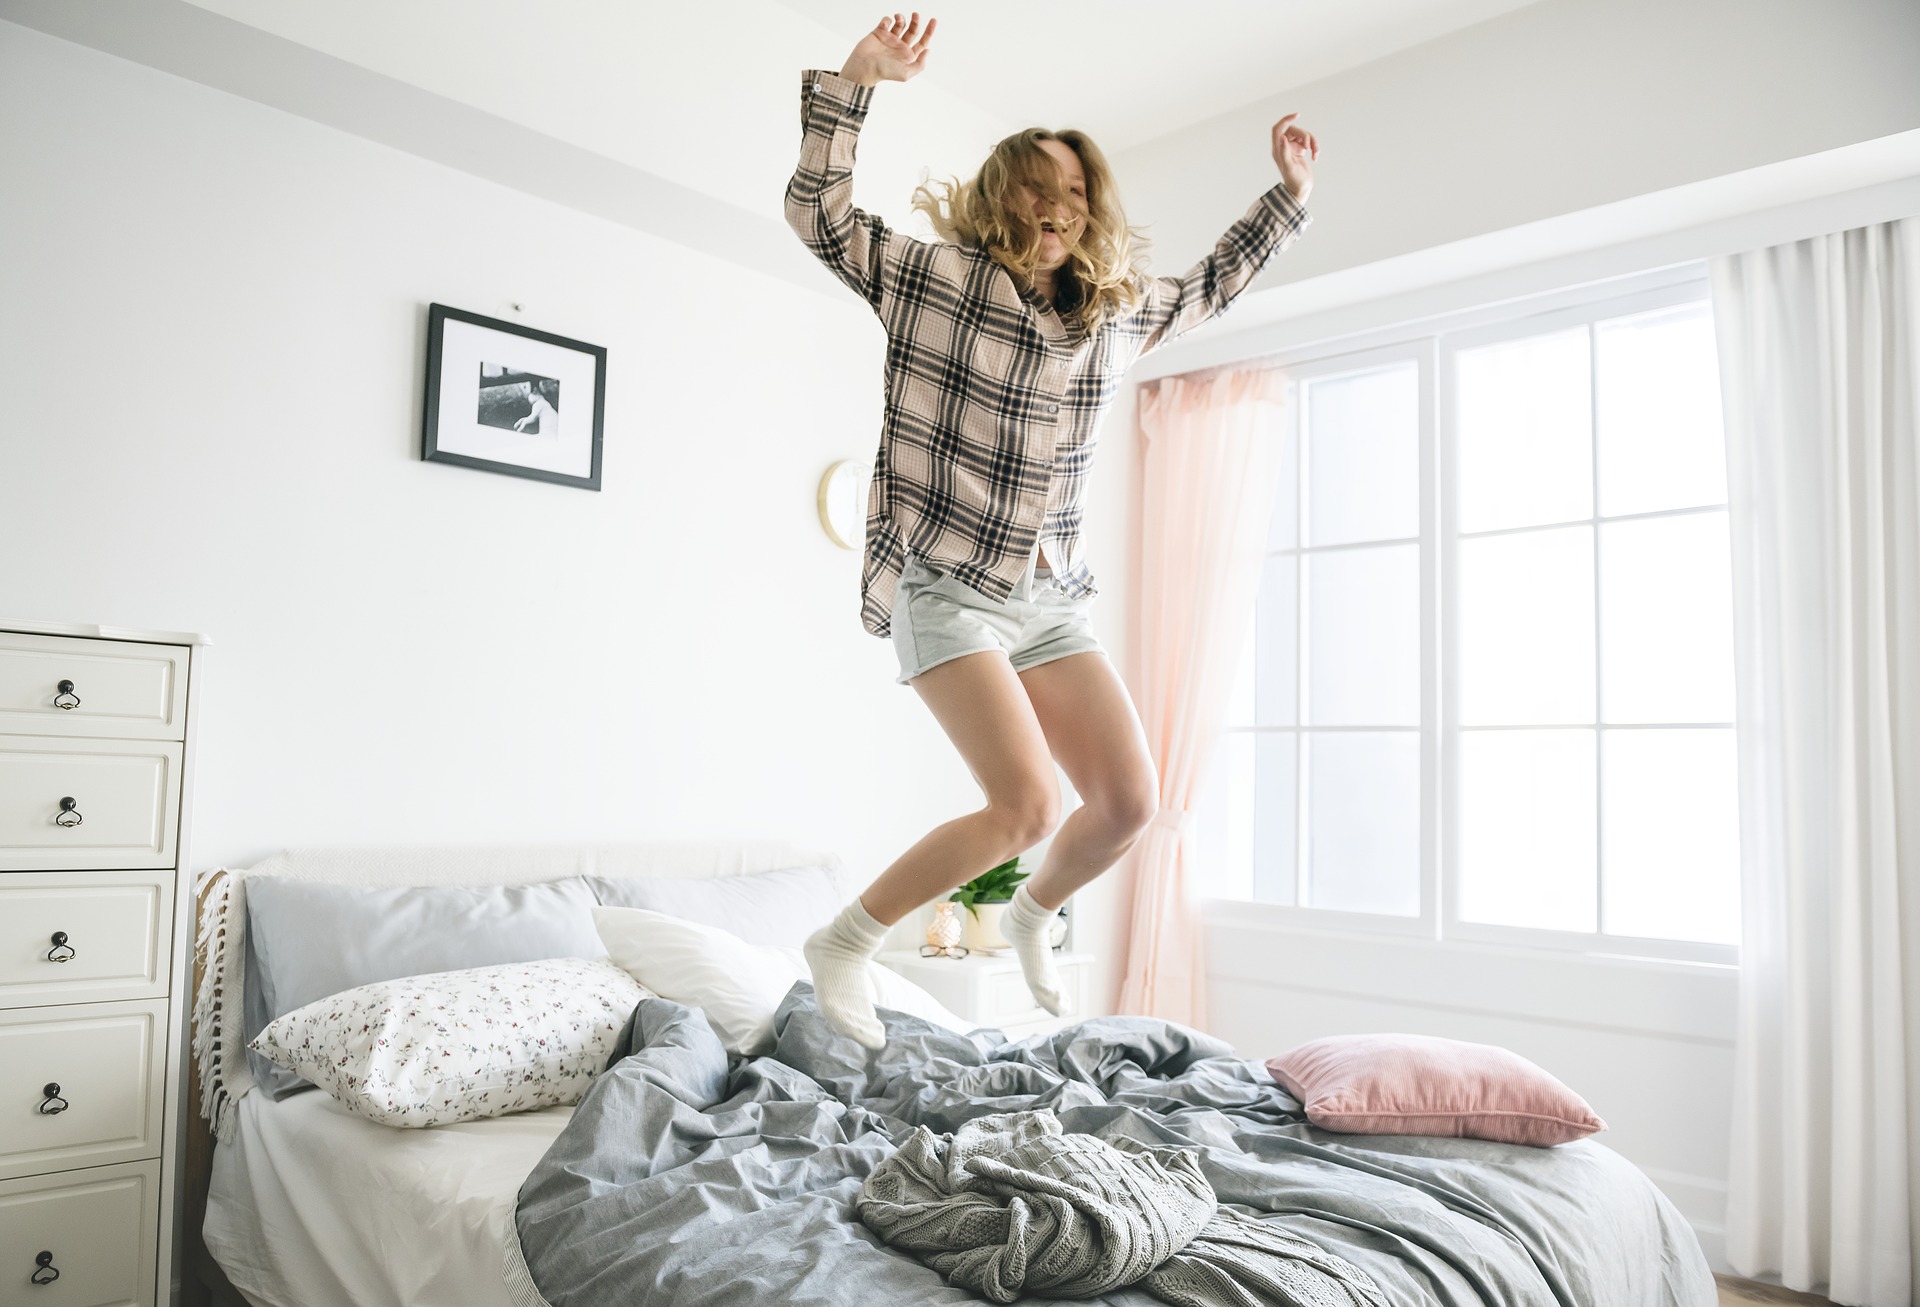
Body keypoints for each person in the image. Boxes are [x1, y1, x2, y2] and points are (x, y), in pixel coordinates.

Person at [788, 12, 1317, 1048]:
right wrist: (859, 80)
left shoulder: (1114, 314)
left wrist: (1288, 202)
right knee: (1026, 806)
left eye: (1075, 192)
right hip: (949, 586)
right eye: (1037, 187)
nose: (1057, 207)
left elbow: (1209, 284)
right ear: (1001, 198)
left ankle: (1030, 916)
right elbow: (820, 213)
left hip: (1049, 597)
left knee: (1127, 803)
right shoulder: (932, 282)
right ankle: (842, 943)